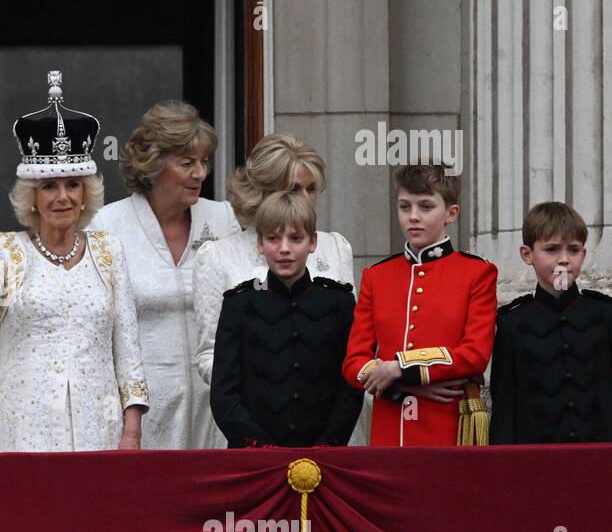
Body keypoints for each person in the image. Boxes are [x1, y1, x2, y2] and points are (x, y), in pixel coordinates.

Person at [0, 70, 149, 451]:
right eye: (49, 186)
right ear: (32, 196)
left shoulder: (108, 251)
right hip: (20, 427)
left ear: (86, 192)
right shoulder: (6, 250)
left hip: (98, 426)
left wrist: (131, 432)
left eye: (72, 184)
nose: (62, 196)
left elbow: (128, 349)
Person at [92, 100, 239, 449]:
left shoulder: (225, 220)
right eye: (187, 163)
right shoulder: (107, 226)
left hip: (216, 407)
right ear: (152, 164)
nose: (200, 173)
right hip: (142, 413)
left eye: (203, 162)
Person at [343, 164, 498, 446]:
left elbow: (475, 354)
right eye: (405, 207)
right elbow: (354, 363)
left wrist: (400, 367)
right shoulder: (376, 276)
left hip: (448, 425)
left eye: (426, 207)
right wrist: (402, 382)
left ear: (451, 213)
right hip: (390, 426)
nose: (413, 217)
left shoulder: (477, 273)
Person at [192, 133, 354, 390]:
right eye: (293, 189)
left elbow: (352, 343)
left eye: (311, 188)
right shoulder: (218, 256)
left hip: (329, 413)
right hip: (251, 417)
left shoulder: (335, 247)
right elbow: (209, 353)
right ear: (260, 191)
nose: (305, 198)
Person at [210, 191, 362, 447]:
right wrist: (260, 448)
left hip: (324, 454)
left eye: (295, 238)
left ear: (312, 242)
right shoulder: (239, 305)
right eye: (273, 238)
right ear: (259, 243)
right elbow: (224, 394)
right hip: (255, 457)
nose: (284, 249)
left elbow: (350, 387)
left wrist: (327, 445)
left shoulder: (339, 303)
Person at [490, 202, 612, 444]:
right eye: (552, 249)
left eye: (574, 250)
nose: (564, 260)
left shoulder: (606, 314)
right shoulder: (512, 323)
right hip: (536, 466)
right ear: (527, 255)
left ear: (584, 255)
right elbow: (504, 408)